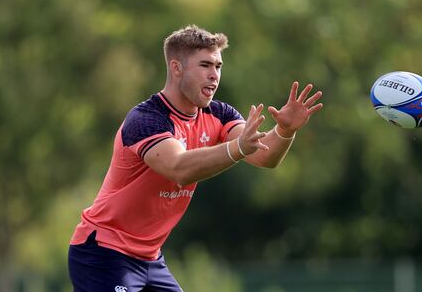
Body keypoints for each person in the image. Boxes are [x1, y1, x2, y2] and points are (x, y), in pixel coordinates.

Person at [68, 24, 323, 292]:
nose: (214, 75)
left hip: (150, 258)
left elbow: (265, 156)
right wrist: (237, 148)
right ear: (176, 68)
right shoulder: (146, 119)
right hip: (103, 252)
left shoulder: (219, 114)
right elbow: (179, 169)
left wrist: (284, 130)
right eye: (205, 65)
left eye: (218, 66)